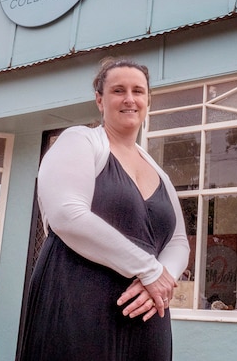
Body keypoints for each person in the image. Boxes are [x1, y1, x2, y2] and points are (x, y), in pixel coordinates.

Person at [19, 57, 190, 361]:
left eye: (138, 91)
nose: (129, 99)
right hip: (79, 301)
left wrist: (161, 284)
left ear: (148, 100)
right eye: (118, 90)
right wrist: (149, 270)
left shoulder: (158, 171)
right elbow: (67, 215)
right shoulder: (79, 140)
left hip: (147, 309)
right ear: (99, 100)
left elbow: (178, 241)